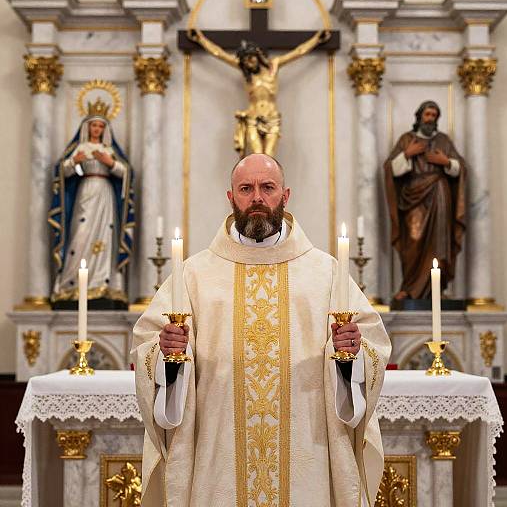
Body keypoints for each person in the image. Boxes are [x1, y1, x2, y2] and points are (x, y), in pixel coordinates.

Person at [131, 154, 391, 506]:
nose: (257, 197)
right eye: (246, 188)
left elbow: (368, 345)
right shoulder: (193, 275)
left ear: (285, 196)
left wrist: (350, 356)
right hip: (218, 451)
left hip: (306, 449)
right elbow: (151, 347)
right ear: (231, 197)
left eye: (267, 188)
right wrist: (170, 356)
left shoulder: (324, 272)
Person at [187, 28, 330, 157]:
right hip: (253, 118)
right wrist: (200, 39)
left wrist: (316, 39)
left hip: (272, 117)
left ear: (257, 55)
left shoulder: (273, 66)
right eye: (246, 62)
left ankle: (270, 186)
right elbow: (220, 54)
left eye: (251, 58)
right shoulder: (246, 72)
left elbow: (298, 52)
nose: (249, 63)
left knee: (269, 157)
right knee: (257, 157)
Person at [48, 98, 135, 308]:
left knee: (105, 238)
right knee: (80, 235)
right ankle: (71, 285)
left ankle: (104, 284)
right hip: (84, 193)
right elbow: (62, 172)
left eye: (100, 126)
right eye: (94, 125)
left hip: (105, 196)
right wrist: (74, 162)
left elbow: (126, 173)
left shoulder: (110, 150)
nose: (97, 129)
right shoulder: (80, 148)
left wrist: (110, 163)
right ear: (87, 128)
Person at [384, 100, 466, 300]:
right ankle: (410, 286)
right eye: (428, 114)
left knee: (440, 243)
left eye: (434, 115)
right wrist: (407, 154)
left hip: (439, 196)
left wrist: (445, 162)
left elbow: (461, 167)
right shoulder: (407, 140)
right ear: (420, 116)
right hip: (413, 198)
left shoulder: (443, 141)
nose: (431, 119)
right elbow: (390, 169)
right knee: (412, 241)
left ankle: (438, 290)